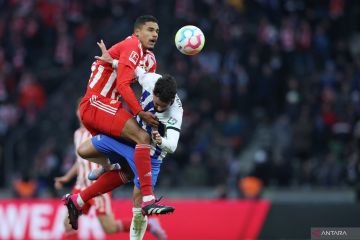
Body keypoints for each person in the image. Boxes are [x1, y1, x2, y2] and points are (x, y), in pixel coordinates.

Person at [65, 45, 182, 238]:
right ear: (153, 91)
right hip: (130, 142)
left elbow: (173, 145)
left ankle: (141, 200)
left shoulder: (176, 112)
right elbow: (133, 70)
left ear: (171, 102)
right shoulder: (150, 80)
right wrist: (111, 61)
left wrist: (161, 140)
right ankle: (108, 168)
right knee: (84, 150)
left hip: (151, 157)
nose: (158, 108)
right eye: (156, 103)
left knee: (138, 208)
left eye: (163, 106)